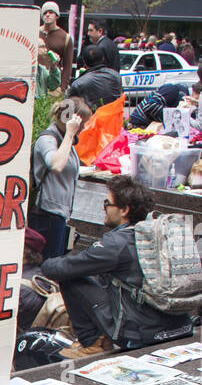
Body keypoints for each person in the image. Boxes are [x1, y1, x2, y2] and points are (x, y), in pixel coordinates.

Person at [40, 175, 195, 358]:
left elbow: (58, 269)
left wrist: (42, 262)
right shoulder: (161, 233)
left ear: (124, 210)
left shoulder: (117, 243)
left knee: (71, 277)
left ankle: (93, 344)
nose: (103, 208)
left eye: (107, 203)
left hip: (141, 334)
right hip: (182, 326)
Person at [30, 96, 92, 259]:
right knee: (49, 263)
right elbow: (56, 165)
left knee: (57, 261)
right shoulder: (48, 139)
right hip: (47, 214)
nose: (83, 128)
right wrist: (70, 134)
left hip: (60, 214)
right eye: (81, 123)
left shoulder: (66, 140)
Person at [67, 43, 123, 110]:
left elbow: (67, 109)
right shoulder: (116, 76)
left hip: (90, 116)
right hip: (113, 115)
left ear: (84, 61)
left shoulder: (78, 84)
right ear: (103, 58)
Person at [40, 2, 74, 93]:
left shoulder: (65, 37)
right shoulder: (34, 33)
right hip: (37, 83)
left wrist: (62, 88)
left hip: (55, 84)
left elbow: (67, 66)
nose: (47, 15)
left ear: (57, 15)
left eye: (51, 12)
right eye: (45, 13)